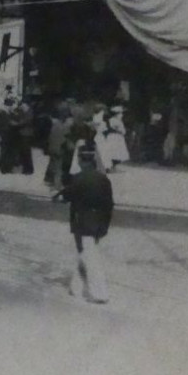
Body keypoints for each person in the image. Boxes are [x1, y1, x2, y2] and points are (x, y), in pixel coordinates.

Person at [56, 147, 114, 303]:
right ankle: (76, 287)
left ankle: (100, 293)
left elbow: (64, 196)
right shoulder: (104, 179)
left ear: (81, 161)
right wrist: (105, 226)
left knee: (90, 256)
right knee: (86, 252)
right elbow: (109, 205)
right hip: (99, 223)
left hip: (83, 222)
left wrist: (58, 196)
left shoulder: (78, 179)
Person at [100, 104, 131, 170]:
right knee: (116, 152)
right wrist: (122, 132)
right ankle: (112, 166)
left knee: (112, 152)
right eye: (120, 114)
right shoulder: (117, 121)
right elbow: (122, 131)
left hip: (110, 137)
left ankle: (111, 166)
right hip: (116, 137)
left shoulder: (110, 120)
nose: (122, 115)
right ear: (117, 114)